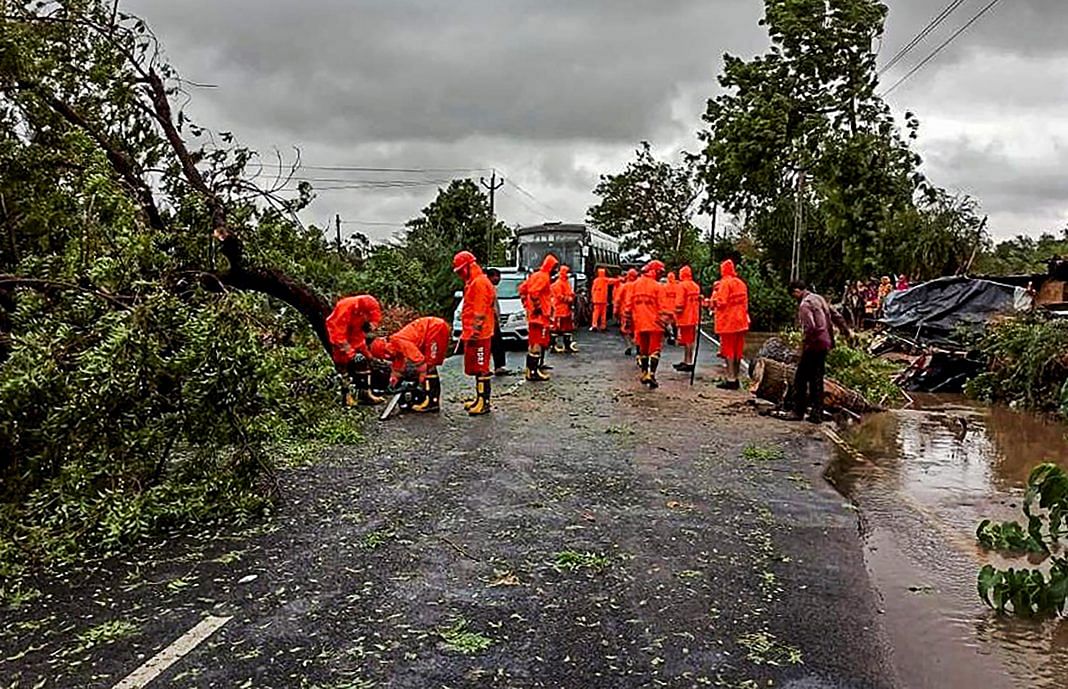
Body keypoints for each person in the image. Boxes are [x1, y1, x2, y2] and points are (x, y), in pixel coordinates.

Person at [789, 280, 851, 423]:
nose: (795, 299)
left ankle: (798, 411)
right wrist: (846, 332)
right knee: (817, 379)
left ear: (797, 291)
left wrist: (803, 347)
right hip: (826, 343)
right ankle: (817, 414)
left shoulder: (805, 305)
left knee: (800, 378)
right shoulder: (819, 299)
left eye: (794, 295)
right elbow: (836, 316)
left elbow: (810, 328)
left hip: (814, 344)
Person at [368, 316, 450, 413]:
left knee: (430, 366)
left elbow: (419, 360)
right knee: (429, 366)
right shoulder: (395, 346)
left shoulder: (398, 341)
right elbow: (398, 363)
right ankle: (429, 399)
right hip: (432, 329)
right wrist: (394, 378)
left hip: (435, 328)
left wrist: (422, 374)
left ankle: (432, 402)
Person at [453, 251, 496, 415]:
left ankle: (484, 403)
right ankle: (479, 398)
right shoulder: (473, 282)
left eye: (460, 271)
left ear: (468, 266)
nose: (459, 275)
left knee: (482, 368)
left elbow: (480, 310)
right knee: (477, 368)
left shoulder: (479, 283)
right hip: (475, 333)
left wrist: (475, 332)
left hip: (480, 334)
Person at [326, 294, 384, 406]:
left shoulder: (369, 307)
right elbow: (338, 335)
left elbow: (360, 335)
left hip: (353, 337)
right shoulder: (346, 307)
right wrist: (351, 353)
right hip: (339, 340)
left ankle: (365, 394)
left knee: (364, 363)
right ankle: (346, 397)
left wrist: (367, 354)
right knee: (343, 366)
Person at [629, 260, 670, 389]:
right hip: (655, 324)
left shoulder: (634, 285)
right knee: (655, 350)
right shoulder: (658, 287)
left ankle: (644, 373)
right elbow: (663, 307)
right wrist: (667, 322)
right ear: (656, 271)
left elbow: (628, 305)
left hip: (640, 323)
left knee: (643, 349)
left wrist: (626, 320)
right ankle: (651, 375)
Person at [710, 259, 749, 390]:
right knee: (738, 351)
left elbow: (721, 302)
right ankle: (736, 377)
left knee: (728, 351)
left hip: (728, 322)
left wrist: (711, 300)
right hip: (741, 321)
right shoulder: (741, 283)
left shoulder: (725, 284)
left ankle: (730, 378)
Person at [518, 253, 558, 381]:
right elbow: (534, 293)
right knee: (538, 343)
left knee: (533, 343)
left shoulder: (535, 275)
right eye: (555, 267)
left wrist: (526, 304)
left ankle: (531, 370)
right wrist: (538, 307)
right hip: (540, 317)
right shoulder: (544, 277)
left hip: (534, 316)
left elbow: (523, 289)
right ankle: (533, 372)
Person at [673, 265, 702, 372]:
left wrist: (675, 312)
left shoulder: (682, 286)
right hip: (694, 316)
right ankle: (687, 360)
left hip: (685, 317)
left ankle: (688, 362)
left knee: (686, 341)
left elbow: (680, 303)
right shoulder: (695, 286)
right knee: (690, 340)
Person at [485, 268, 511, 376]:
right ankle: (491, 367)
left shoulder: (491, 288)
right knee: (491, 344)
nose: (498, 279)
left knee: (497, 344)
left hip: (493, 320)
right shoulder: (486, 287)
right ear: (491, 277)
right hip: (488, 321)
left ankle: (498, 366)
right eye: (497, 276)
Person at [551, 265, 579, 353]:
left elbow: (569, 292)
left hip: (566, 309)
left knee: (567, 328)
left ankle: (567, 345)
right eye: (567, 272)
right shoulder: (558, 283)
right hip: (559, 309)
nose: (568, 274)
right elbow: (559, 296)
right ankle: (553, 346)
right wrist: (569, 299)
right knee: (556, 329)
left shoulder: (566, 282)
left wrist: (572, 296)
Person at [615, 268, 638, 356]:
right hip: (637, 312)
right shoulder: (638, 285)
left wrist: (615, 311)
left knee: (625, 330)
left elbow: (618, 299)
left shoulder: (624, 286)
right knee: (636, 329)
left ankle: (629, 346)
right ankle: (637, 345)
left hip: (625, 311)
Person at [589, 267, 611, 332]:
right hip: (603, 300)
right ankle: (603, 326)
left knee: (595, 314)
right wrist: (620, 279)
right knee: (603, 314)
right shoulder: (605, 280)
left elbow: (592, 290)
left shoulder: (595, 281)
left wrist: (592, 298)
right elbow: (612, 281)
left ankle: (594, 325)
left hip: (596, 300)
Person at [662, 271, 679, 345]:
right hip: (675, 307)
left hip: (667, 308)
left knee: (668, 323)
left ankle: (671, 334)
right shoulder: (678, 287)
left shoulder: (664, 287)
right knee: (676, 323)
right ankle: (677, 337)